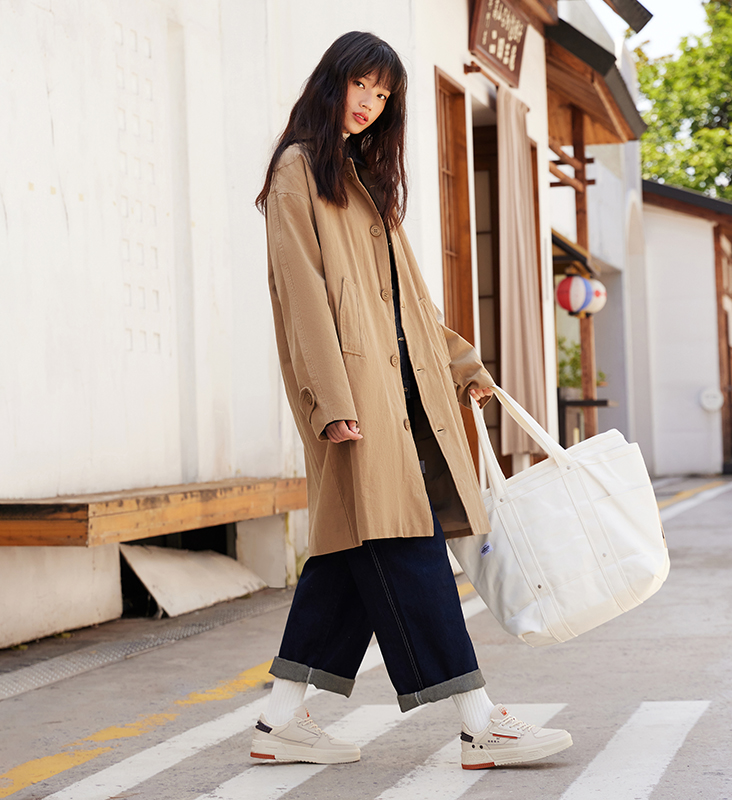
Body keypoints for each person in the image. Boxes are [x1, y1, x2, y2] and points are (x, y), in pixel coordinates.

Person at [252, 30, 572, 770]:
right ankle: (478, 720)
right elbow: (302, 298)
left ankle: (279, 723)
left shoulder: (360, 179)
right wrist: (329, 400)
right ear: (331, 82)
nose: (369, 104)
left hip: (404, 398)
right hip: (356, 403)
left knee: (349, 559)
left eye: (383, 94)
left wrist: (462, 362)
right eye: (361, 85)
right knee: (410, 552)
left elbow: (407, 302)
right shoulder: (299, 171)